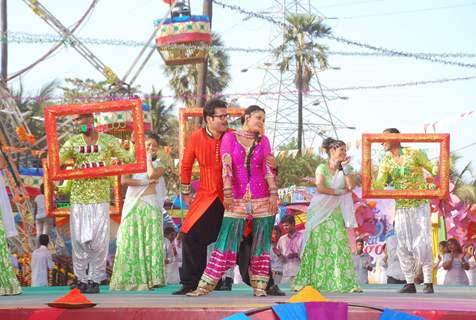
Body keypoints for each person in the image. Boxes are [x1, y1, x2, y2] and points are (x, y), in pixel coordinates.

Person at [187, 105, 278, 297]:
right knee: (225, 240)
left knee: (261, 244)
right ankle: (204, 286)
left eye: (263, 119)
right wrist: (227, 192)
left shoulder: (265, 141)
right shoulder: (230, 137)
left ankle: (261, 288)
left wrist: (274, 194)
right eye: (258, 118)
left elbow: (268, 169)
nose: (261, 122)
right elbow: (226, 164)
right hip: (235, 198)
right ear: (246, 117)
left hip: (262, 197)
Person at [58, 113, 135, 293]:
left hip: (100, 198)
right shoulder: (72, 142)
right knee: (79, 240)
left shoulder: (108, 141)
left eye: (81, 120)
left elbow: (129, 159)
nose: (78, 123)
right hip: (78, 198)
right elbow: (56, 161)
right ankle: (81, 278)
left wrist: (134, 142)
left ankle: (94, 279)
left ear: (90, 120)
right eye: (75, 120)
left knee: (99, 241)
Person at [174, 99, 230, 295]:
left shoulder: (232, 136)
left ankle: (264, 282)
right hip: (206, 195)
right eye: (221, 116)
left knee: (245, 236)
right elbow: (186, 166)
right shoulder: (197, 137)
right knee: (191, 235)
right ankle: (191, 283)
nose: (225, 119)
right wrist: (186, 191)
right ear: (208, 118)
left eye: (227, 116)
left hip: (231, 197)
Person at [373, 128, 438, 294]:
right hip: (401, 206)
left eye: (384, 138)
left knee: (422, 242)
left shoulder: (414, 153)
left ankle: (428, 282)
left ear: (395, 138)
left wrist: (441, 166)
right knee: (402, 244)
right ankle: (410, 282)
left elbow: (432, 168)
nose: (381, 142)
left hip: (419, 204)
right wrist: (369, 174)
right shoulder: (385, 160)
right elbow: (379, 185)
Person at [293, 138, 360, 293]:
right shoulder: (321, 168)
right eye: (340, 150)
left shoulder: (345, 169)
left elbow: (350, 187)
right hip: (319, 212)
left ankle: (339, 281)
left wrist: (345, 168)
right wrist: (338, 192)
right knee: (318, 246)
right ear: (332, 151)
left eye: (345, 150)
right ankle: (313, 281)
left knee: (338, 244)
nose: (344, 152)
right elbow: (321, 188)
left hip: (335, 213)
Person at [110, 132, 166, 291]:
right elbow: (124, 180)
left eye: (154, 146)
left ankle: (152, 279)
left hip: (151, 205)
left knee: (150, 241)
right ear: (141, 145)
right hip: (134, 205)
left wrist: (148, 159)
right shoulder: (130, 160)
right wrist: (145, 182)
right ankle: (131, 279)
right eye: (148, 145)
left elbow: (153, 174)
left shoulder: (161, 162)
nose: (151, 148)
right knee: (131, 240)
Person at [276, 215, 303, 284]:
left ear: (293, 224)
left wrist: (297, 255)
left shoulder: (302, 237)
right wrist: (279, 255)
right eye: (284, 226)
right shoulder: (282, 239)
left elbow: (307, 255)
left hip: (300, 273)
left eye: (287, 225)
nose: (285, 228)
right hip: (286, 274)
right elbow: (282, 260)